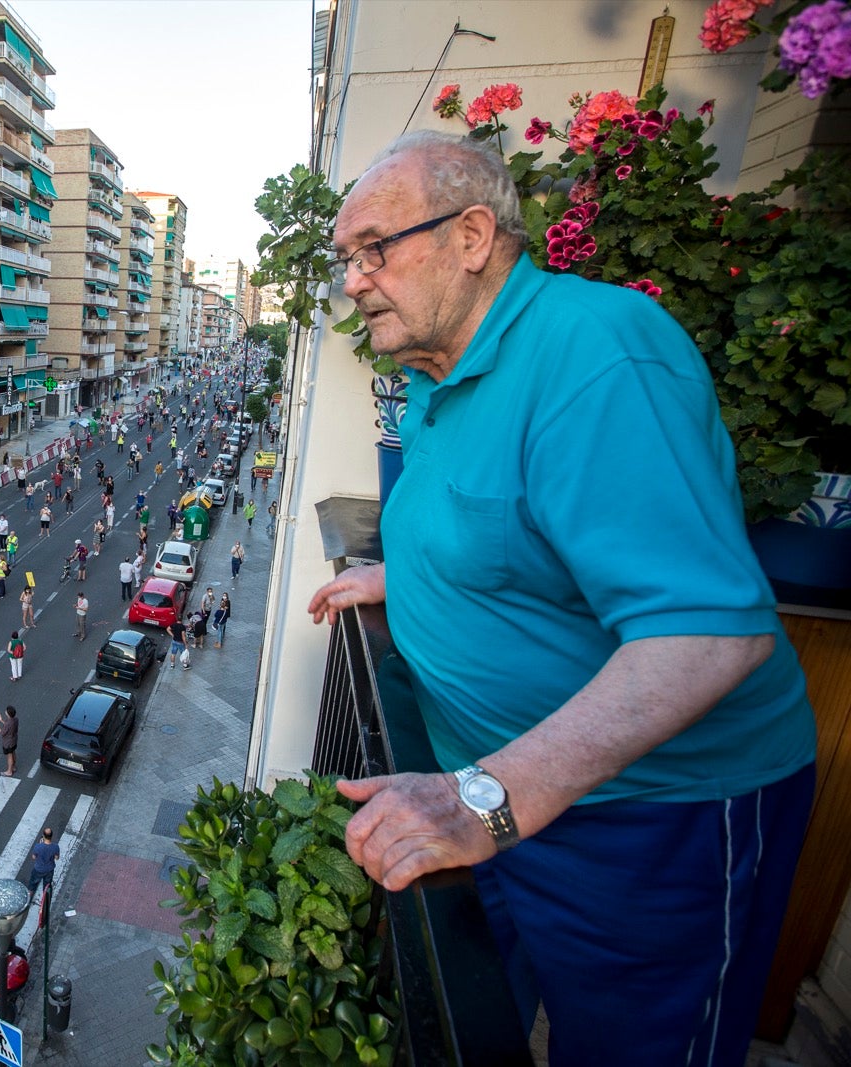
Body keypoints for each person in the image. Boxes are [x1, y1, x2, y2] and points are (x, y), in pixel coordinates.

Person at [305, 131, 817, 1067]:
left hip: (653, 823)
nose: (353, 280)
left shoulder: (600, 354)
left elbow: (706, 635)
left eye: (375, 248)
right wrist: (405, 575)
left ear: (471, 235)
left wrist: (487, 802)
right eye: (347, 259)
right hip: (499, 787)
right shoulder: (437, 371)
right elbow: (493, 518)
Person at [26, 827, 59, 899]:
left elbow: (34, 857)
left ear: (43, 836)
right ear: (51, 836)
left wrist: (41, 845)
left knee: (32, 885)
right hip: (49, 870)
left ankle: (28, 900)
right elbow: (57, 858)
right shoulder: (55, 847)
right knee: (47, 886)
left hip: (38, 869)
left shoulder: (38, 846)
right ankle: (45, 902)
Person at [0, 706, 18, 776]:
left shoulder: (8, 723)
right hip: (14, 740)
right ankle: (13, 767)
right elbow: (8, 726)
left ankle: (9, 771)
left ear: (8, 714)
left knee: (9, 756)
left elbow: (2, 733)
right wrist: (1, 720)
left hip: (8, 743)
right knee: (13, 752)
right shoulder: (16, 720)